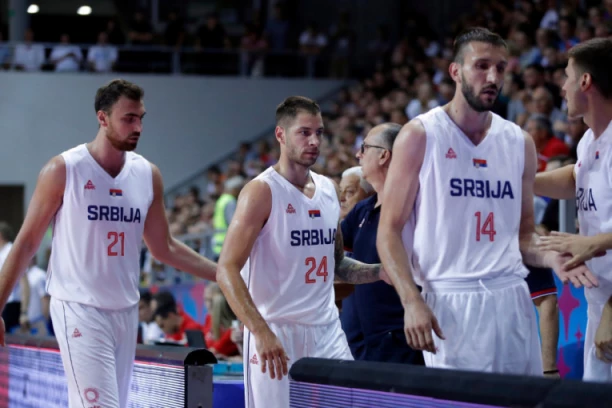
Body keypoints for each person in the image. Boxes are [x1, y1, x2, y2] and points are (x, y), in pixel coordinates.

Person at [376, 27, 596, 375]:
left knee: (520, 398)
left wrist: (551, 256)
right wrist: (411, 300)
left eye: (500, 68)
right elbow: (388, 231)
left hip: (511, 298)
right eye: (481, 66)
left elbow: (524, 236)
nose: (493, 77)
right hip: (450, 298)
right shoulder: (420, 135)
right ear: (455, 71)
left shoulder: (519, 142)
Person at [0, 79, 217, 408]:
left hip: (126, 311)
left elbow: (165, 248)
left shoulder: (147, 174)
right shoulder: (64, 169)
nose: (138, 127)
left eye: (141, 118)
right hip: (79, 307)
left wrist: (225, 274)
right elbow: (27, 242)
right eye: (128, 118)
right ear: (102, 118)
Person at [216, 96, 385, 408]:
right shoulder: (261, 191)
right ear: (281, 135)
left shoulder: (328, 189)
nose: (314, 141)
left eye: (319, 133)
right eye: (304, 133)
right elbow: (226, 268)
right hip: (275, 329)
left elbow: (336, 263)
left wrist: (380, 271)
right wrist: (260, 331)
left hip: (326, 328)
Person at [534, 37, 612, 382]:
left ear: (585, 81)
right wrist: (520, 180)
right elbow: (574, 176)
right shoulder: (590, 139)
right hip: (600, 300)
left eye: (567, 76)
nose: (562, 87)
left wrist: (591, 243)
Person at [342, 123, 425, 365]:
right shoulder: (362, 210)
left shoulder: (416, 204)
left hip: (408, 335)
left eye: (364, 147)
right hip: (369, 340)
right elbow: (330, 252)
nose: (358, 154)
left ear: (383, 155)